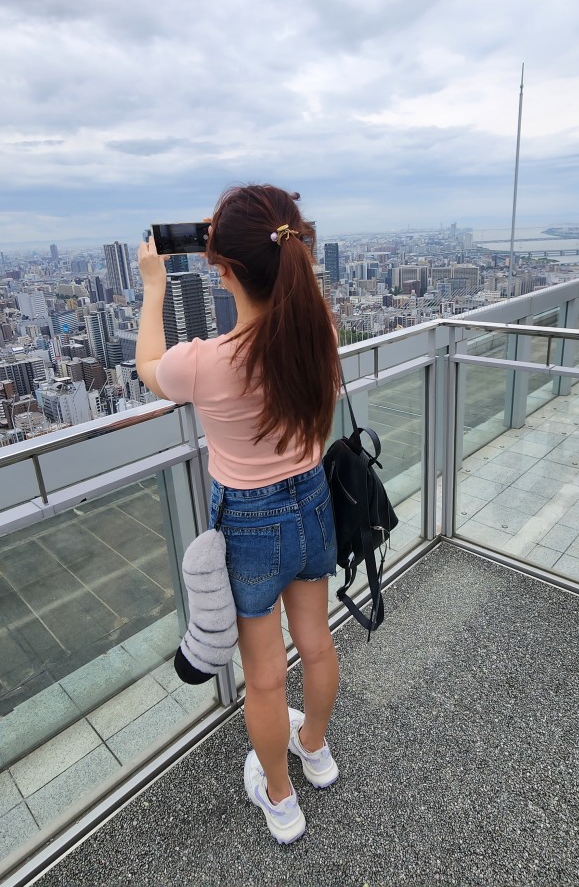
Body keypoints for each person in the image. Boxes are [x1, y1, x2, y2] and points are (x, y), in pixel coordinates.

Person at [136, 184, 342, 845]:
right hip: (311, 501)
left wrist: (154, 286)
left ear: (220, 267)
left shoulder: (206, 363)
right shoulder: (321, 332)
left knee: (262, 674)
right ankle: (315, 749)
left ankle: (280, 799)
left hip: (251, 526)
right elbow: (286, 264)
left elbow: (147, 366)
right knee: (316, 643)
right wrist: (245, 238)